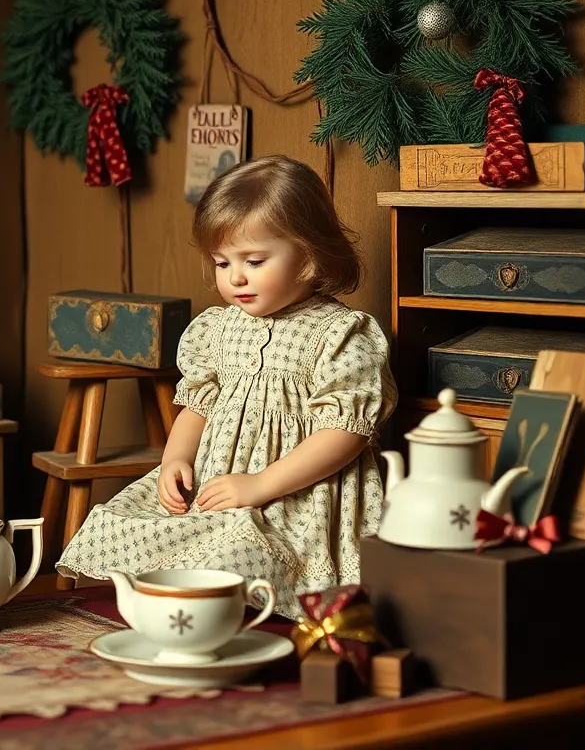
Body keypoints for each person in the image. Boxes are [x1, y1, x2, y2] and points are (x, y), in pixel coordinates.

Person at [57, 155, 397, 620]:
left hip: (298, 496)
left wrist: (259, 485)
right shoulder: (217, 329)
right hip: (216, 486)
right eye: (222, 262)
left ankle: (229, 615)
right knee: (129, 524)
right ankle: (177, 613)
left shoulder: (339, 335)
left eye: (254, 261)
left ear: (308, 257)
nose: (235, 277)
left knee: (236, 555)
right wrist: (174, 460)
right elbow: (197, 408)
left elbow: (346, 432)